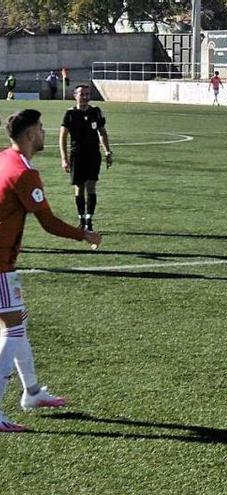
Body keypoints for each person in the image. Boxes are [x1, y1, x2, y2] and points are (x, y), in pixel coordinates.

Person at [0, 109, 102, 432]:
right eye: (41, 129)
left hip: (4, 263)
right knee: (12, 330)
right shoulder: (24, 173)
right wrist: (83, 233)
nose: (45, 133)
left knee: (18, 323)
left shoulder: (4, 158)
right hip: (0, 265)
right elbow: (48, 223)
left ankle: (31, 392)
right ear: (30, 136)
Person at [59, 85, 113, 232]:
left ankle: (89, 219)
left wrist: (107, 152)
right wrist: (64, 158)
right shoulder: (70, 114)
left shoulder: (96, 112)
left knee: (91, 185)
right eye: (82, 94)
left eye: (87, 94)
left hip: (93, 155)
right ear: (75, 96)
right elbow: (62, 138)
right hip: (77, 155)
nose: (85, 97)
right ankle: (81, 218)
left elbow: (102, 133)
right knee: (79, 187)